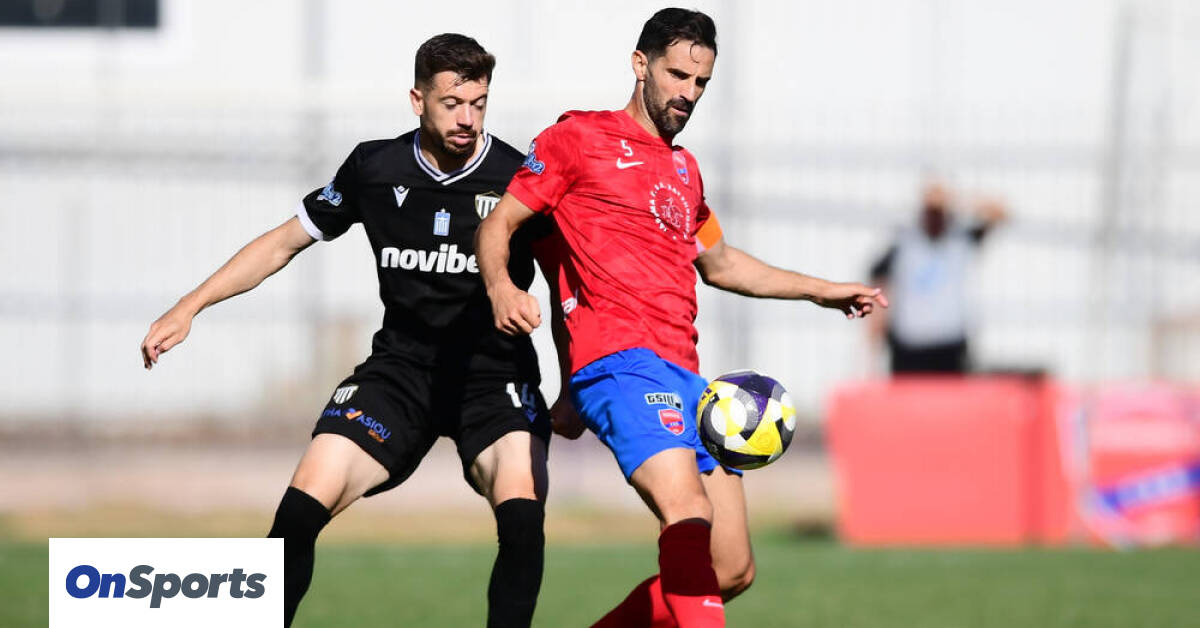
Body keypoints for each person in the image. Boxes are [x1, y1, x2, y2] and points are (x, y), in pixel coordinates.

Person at [476, 8, 887, 627]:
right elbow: (498, 224)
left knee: (731, 567)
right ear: (640, 65)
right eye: (677, 75)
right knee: (687, 511)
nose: (688, 93)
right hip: (619, 364)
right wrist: (502, 289)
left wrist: (820, 291)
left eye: (701, 83)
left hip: (687, 376)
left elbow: (720, 263)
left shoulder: (684, 170)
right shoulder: (578, 138)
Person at [140, 34, 551, 628]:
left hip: (493, 379)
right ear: (417, 100)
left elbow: (572, 276)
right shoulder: (375, 169)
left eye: (478, 104)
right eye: (452, 103)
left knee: (522, 522)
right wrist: (190, 306)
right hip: (400, 375)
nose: (467, 119)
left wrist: (576, 377)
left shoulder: (518, 177)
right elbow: (283, 243)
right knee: (298, 510)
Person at [868, 180, 1007, 374]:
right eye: (931, 212)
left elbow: (1000, 213)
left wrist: (956, 200)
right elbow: (878, 287)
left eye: (939, 212)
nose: (935, 218)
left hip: (950, 345)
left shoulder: (961, 240)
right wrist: (873, 344)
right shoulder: (904, 243)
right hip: (909, 346)